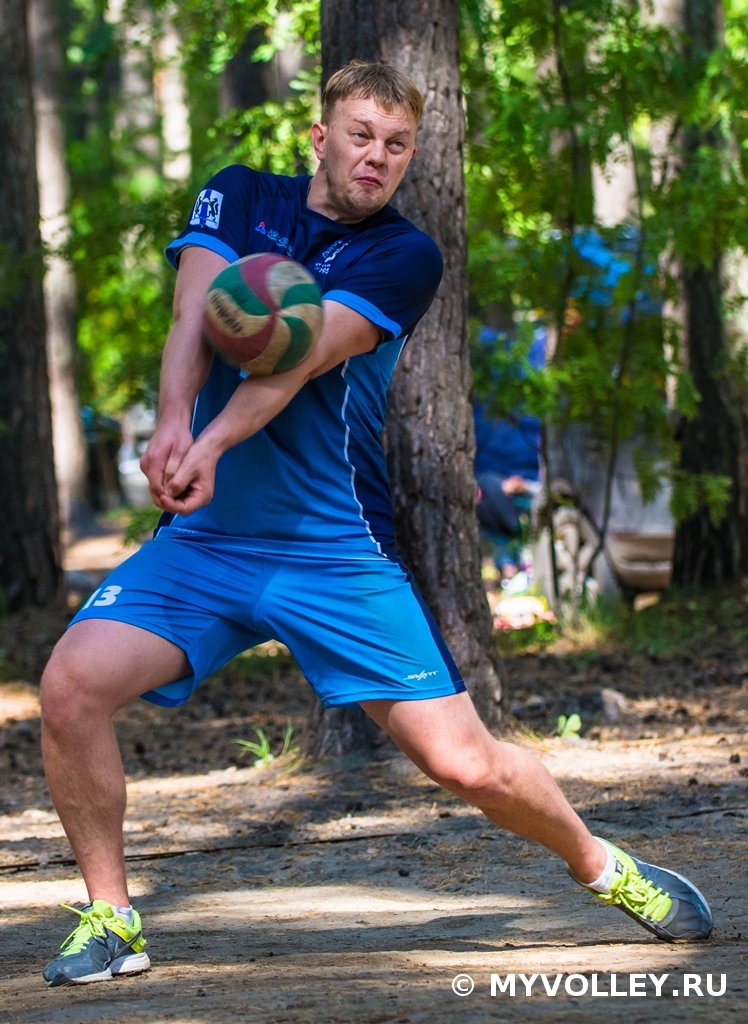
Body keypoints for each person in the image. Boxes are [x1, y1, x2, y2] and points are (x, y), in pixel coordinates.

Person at [39, 61, 713, 988]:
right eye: (360, 135)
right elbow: (195, 312)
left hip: (333, 554)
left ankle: (604, 867)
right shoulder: (241, 195)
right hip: (206, 543)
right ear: (321, 137)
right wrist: (170, 426)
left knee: (467, 766)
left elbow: (301, 354)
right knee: (70, 688)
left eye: (397, 144)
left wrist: (211, 442)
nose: (377, 156)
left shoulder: (404, 256)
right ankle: (113, 918)